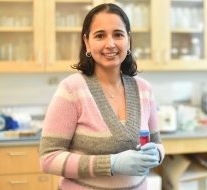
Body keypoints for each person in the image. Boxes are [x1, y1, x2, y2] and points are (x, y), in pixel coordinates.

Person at [39, 3, 165, 190]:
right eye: (100, 35)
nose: (110, 44)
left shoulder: (144, 89)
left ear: (128, 40)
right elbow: (48, 158)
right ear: (87, 42)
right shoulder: (71, 90)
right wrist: (111, 164)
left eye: (118, 34)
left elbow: (157, 144)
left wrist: (157, 154)